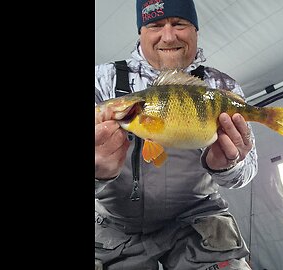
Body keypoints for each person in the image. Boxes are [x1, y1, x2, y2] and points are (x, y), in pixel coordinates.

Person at [95, 0, 258, 269]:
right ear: (141, 32)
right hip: (114, 225)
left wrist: (228, 165)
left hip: (199, 220)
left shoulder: (221, 87)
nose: (168, 36)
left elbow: (248, 171)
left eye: (179, 23)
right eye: (156, 25)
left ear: (195, 29)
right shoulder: (103, 79)